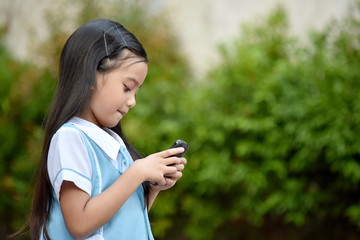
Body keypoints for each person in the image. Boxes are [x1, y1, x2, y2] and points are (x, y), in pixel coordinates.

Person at [29, 19, 187, 240]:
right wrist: (137, 172)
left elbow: (121, 222)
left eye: (136, 92)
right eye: (127, 87)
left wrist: (152, 189)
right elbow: (80, 224)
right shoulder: (71, 137)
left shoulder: (113, 143)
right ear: (91, 74)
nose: (132, 101)